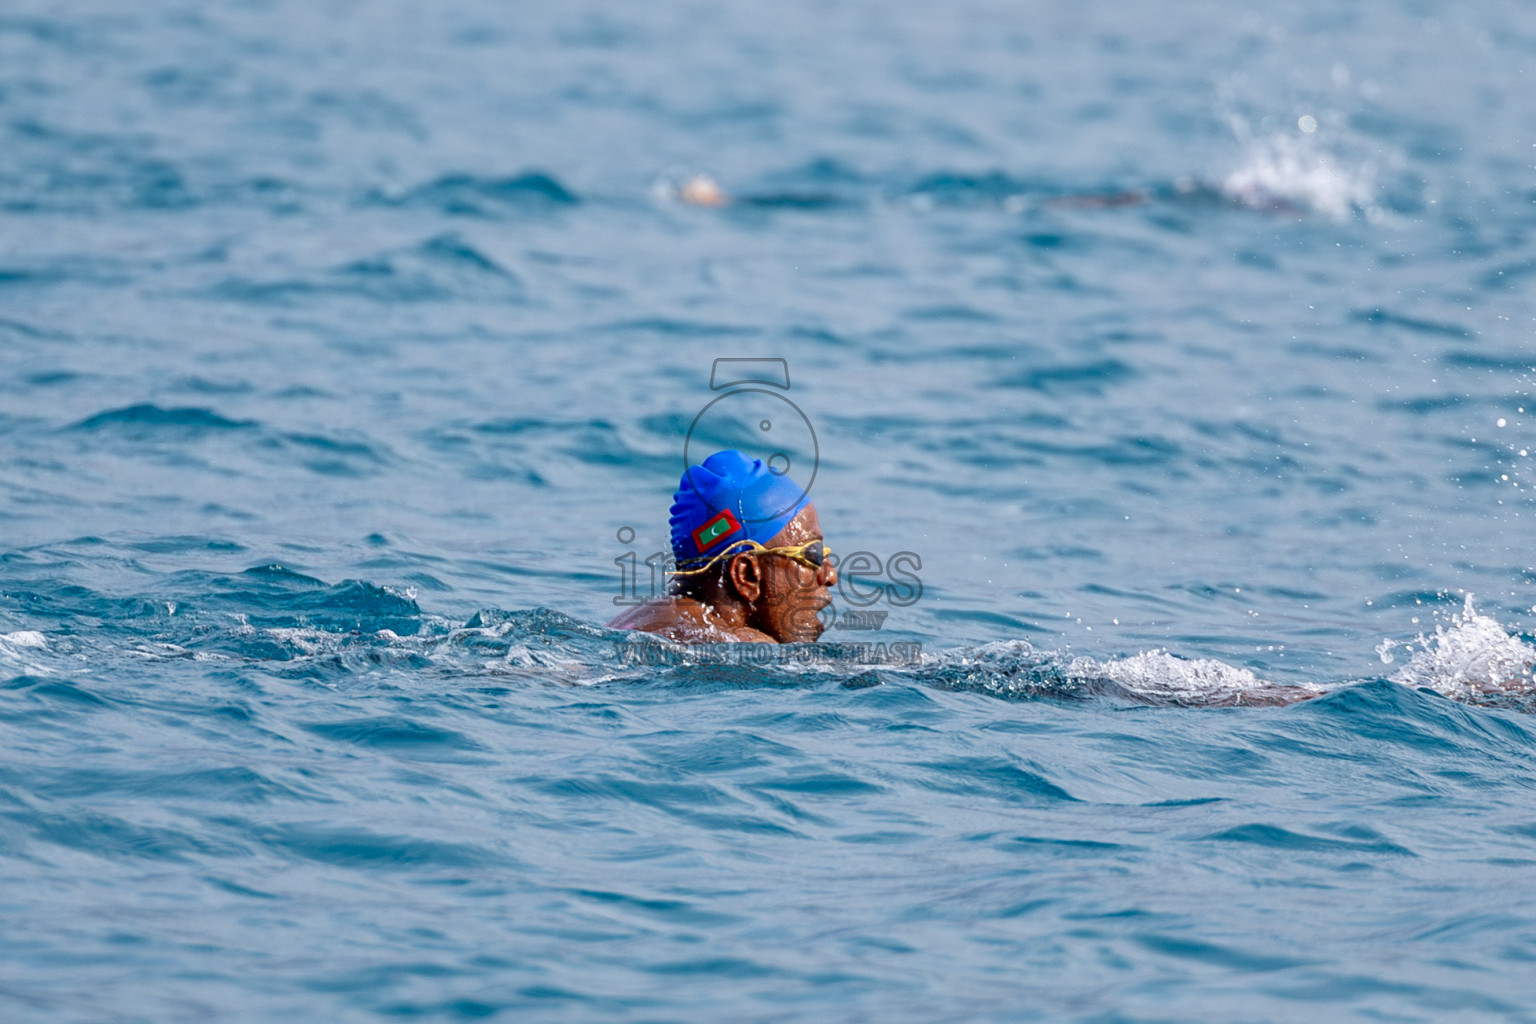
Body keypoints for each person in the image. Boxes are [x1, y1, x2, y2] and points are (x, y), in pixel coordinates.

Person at [609, 450, 838, 643]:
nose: (829, 574)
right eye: (813, 554)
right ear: (746, 575)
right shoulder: (736, 643)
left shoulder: (633, 624)